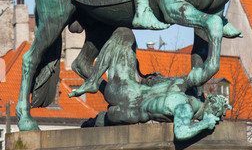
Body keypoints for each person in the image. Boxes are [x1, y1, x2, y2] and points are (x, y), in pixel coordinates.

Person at [68, 27, 229, 140]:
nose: (213, 99)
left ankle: (93, 80)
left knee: (124, 34)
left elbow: (181, 133)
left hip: (127, 94)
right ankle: (95, 118)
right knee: (109, 116)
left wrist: (205, 124)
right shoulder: (187, 96)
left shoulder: (185, 107)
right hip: (127, 106)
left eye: (214, 105)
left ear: (209, 112)